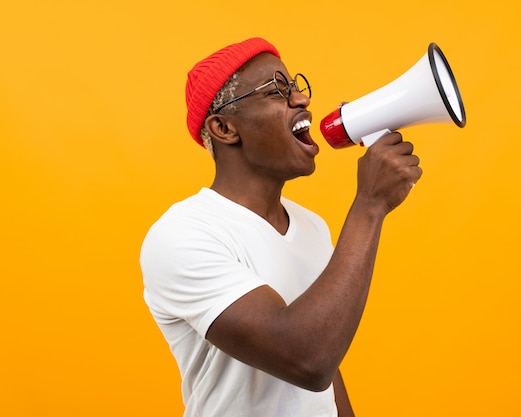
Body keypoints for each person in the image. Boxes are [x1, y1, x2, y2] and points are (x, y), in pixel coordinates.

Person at [140, 37, 422, 417]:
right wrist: (370, 206)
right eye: (276, 90)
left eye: (296, 87)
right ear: (224, 128)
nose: (302, 100)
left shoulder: (311, 226)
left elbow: (328, 354)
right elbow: (307, 358)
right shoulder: (182, 234)